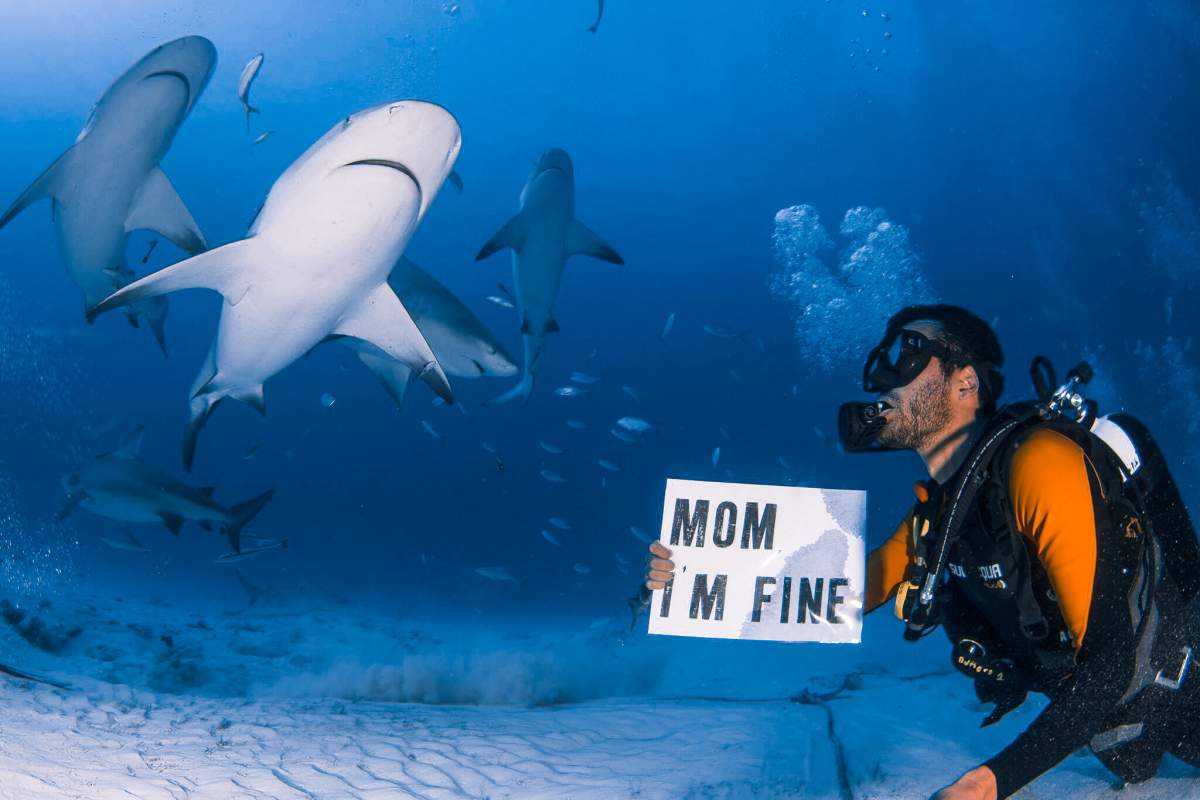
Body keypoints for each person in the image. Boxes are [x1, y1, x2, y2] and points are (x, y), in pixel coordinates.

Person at [645, 304, 1200, 800]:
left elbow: (1109, 665)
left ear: (965, 384)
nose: (884, 378)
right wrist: (695, 574)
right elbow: (845, 591)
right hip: (1112, 725)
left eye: (909, 355)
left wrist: (988, 784)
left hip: (1181, 683)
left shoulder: (1040, 462)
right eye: (885, 356)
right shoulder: (937, 520)